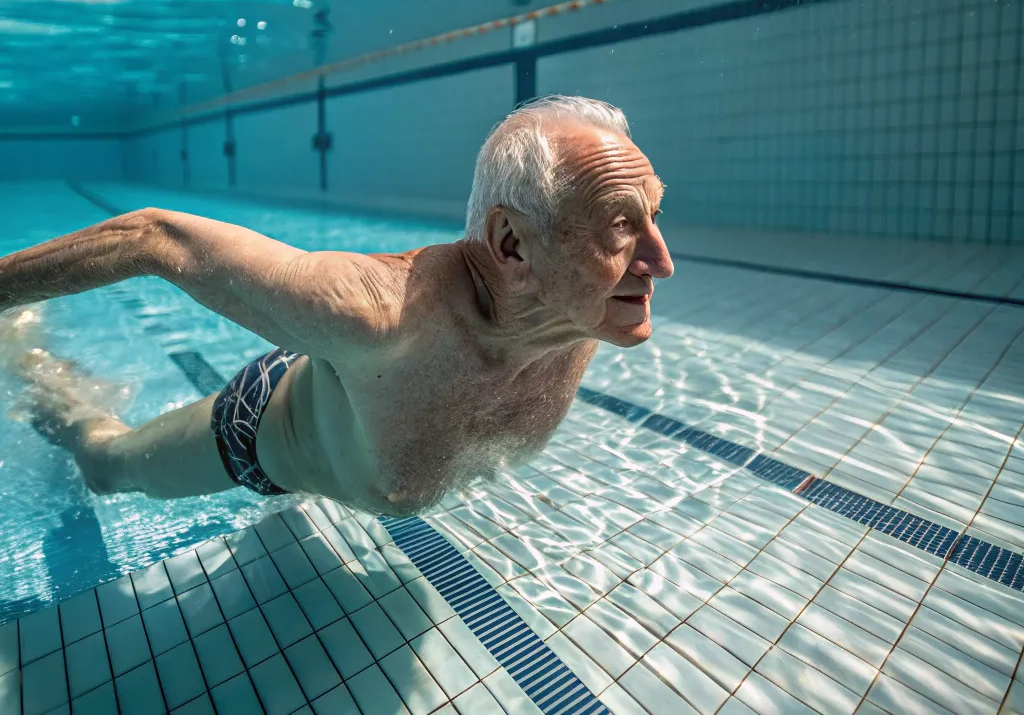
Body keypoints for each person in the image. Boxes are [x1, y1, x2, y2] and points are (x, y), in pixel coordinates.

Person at [0, 96, 673, 515]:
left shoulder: (583, 312)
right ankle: (41, 371)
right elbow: (150, 236)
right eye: (619, 226)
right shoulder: (379, 315)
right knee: (106, 465)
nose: (661, 262)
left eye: (653, 217)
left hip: (353, 398)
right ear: (512, 244)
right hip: (263, 429)